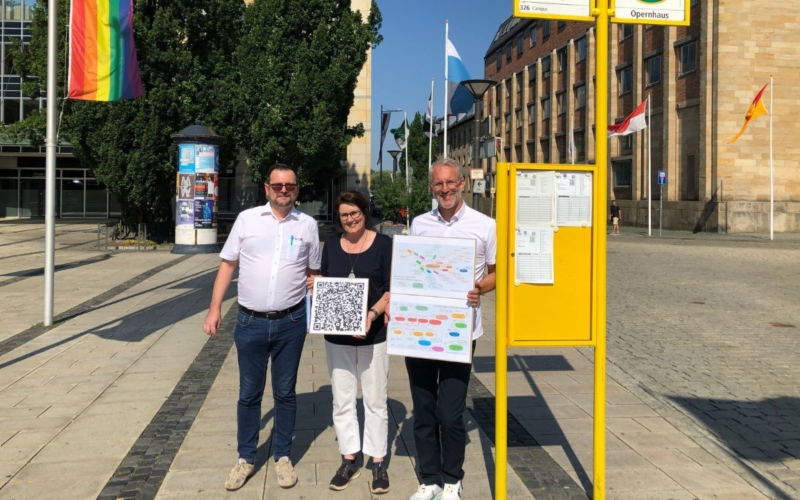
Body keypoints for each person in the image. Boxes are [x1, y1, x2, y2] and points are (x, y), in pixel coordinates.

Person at [203, 164, 321, 492]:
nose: (284, 190)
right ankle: (246, 457)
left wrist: (327, 309)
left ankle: (282, 455)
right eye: (278, 185)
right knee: (249, 393)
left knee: (285, 392)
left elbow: (314, 273)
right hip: (249, 321)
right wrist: (214, 309)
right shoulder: (247, 220)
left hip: (291, 322)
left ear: (297, 190)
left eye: (290, 186)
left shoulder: (308, 225)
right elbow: (227, 265)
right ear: (267, 188)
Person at [406, 158, 497, 500]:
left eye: (450, 182)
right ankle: (429, 479)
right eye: (437, 184)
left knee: (449, 412)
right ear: (431, 187)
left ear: (462, 183)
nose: (444, 189)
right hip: (420, 329)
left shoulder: (485, 225)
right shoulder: (419, 224)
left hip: (460, 330)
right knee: (424, 408)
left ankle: (452, 479)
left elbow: (497, 272)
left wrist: (479, 288)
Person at [307, 190, 392, 494]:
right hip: (337, 336)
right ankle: (349, 459)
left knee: (375, 400)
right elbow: (325, 284)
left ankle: (378, 461)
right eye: (344, 214)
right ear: (338, 218)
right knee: (342, 400)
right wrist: (316, 286)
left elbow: (389, 290)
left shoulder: (383, 244)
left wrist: (370, 314)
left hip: (374, 335)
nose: (350, 219)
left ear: (364, 213)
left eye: (355, 213)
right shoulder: (330, 245)